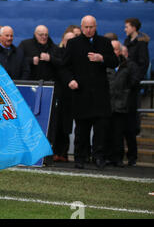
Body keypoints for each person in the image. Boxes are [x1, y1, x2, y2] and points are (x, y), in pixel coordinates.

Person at [60, 15, 119, 169]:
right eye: (85, 27)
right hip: (81, 93)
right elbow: (64, 66)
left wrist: (102, 58)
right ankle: (80, 158)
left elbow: (115, 62)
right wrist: (70, 80)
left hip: (100, 95)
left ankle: (99, 157)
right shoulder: (73, 43)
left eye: (91, 27)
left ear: (96, 26)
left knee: (100, 130)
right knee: (81, 131)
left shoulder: (104, 42)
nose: (88, 30)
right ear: (81, 27)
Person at [105, 41, 138, 167]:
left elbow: (133, 82)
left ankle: (118, 158)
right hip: (108, 105)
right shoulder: (106, 65)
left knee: (119, 134)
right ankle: (107, 157)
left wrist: (125, 95)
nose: (114, 52)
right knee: (107, 133)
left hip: (122, 106)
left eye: (116, 49)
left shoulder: (128, 66)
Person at [123, 18, 150, 166]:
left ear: (133, 27)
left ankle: (132, 156)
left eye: (127, 27)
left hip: (132, 88)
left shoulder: (140, 44)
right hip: (125, 85)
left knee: (131, 124)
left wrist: (134, 80)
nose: (125, 29)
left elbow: (143, 63)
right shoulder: (127, 41)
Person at [51, 30, 76, 163]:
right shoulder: (57, 52)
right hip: (58, 93)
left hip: (71, 95)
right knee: (57, 124)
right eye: (68, 40)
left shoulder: (77, 55)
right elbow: (58, 66)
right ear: (63, 40)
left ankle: (64, 153)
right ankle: (55, 152)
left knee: (67, 126)